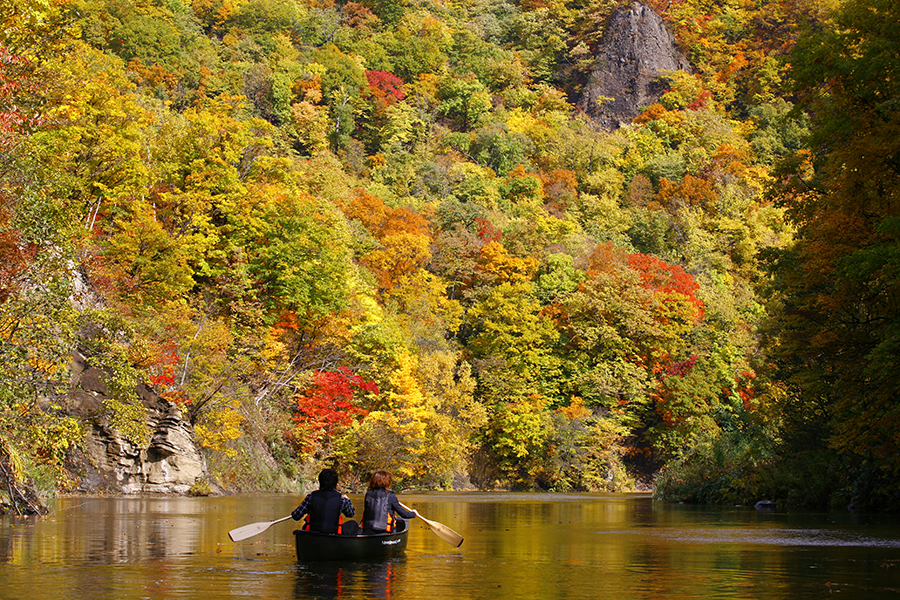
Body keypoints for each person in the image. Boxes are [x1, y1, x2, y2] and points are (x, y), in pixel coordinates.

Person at [291, 468, 359, 535]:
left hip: (312, 535)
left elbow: (296, 516)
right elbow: (351, 513)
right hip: (333, 536)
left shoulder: (311, 497)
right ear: (335, 483)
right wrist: (348, 500)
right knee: (353, 524)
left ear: (320, 481)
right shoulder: (341, 500)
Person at [361, 470, 417, 534]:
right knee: (402, 520)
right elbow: (404, 514)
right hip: (384, 531)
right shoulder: (390, 496)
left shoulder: (368, 494)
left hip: (368, 530)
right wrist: (413, 514)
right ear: (387, 482)